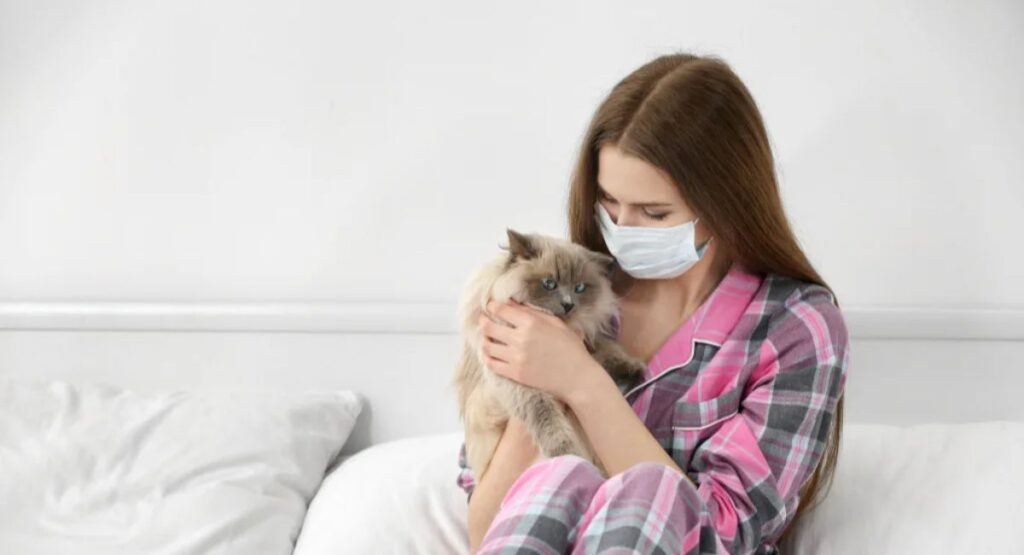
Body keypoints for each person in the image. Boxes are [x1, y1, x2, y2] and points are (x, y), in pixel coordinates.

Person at [456, 51, 850, 554]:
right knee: (558, 482)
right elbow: (485, 531)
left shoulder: (796, 328)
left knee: (651, 491)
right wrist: (538, 390)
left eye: (654, 212)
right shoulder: (560, 294)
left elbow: (724, 537)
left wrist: (582, 382)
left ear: (725, 203)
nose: (622, 228)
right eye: (609, 202)